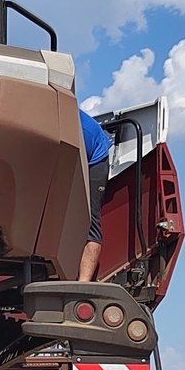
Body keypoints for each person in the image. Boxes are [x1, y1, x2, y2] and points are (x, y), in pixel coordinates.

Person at [77, 104, 112, 282]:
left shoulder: (78, 129)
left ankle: (83, 283)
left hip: (95, 158)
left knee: (91, 220)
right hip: (73, 152)